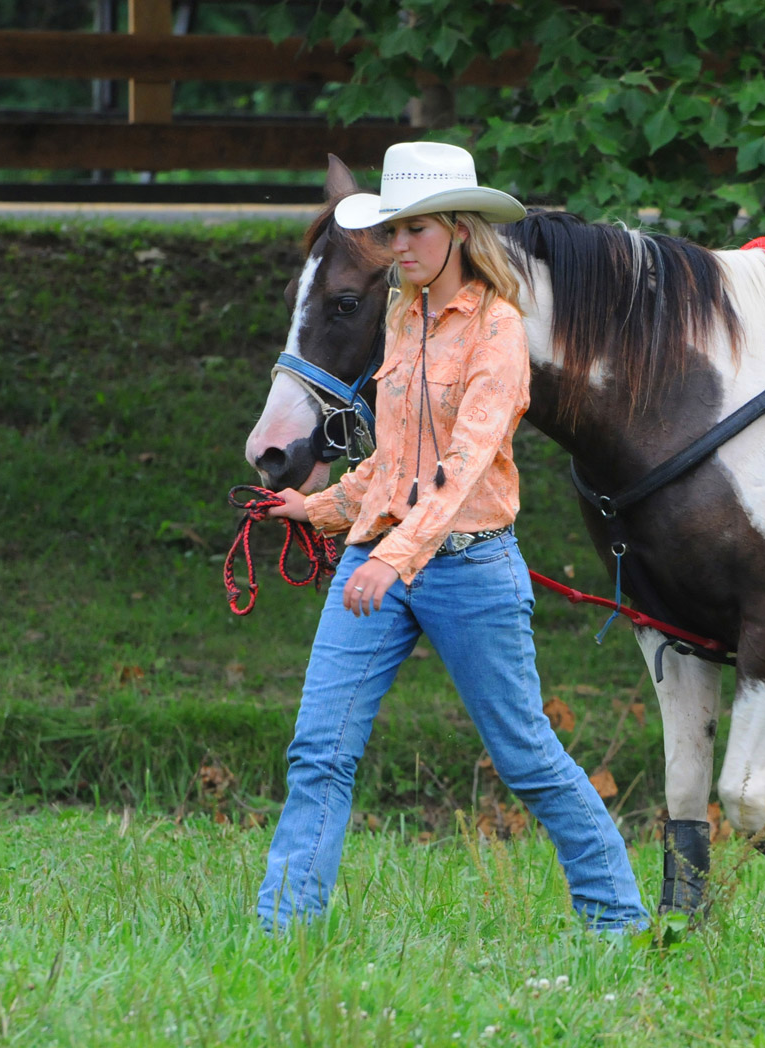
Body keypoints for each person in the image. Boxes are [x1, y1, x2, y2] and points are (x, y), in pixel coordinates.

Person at [255, 140, 648, 933]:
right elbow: (395, 458)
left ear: (460, 231)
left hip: (467, 569)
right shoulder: (403, 316)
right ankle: (283, 931)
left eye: (416, 230)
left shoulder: (498, 330)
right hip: (375, 557)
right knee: (319, 752)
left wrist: (395, 558)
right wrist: (320, 508)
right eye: (393, 231)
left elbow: (462, 466)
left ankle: (618, 919)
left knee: (526, 758)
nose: (398, 248)